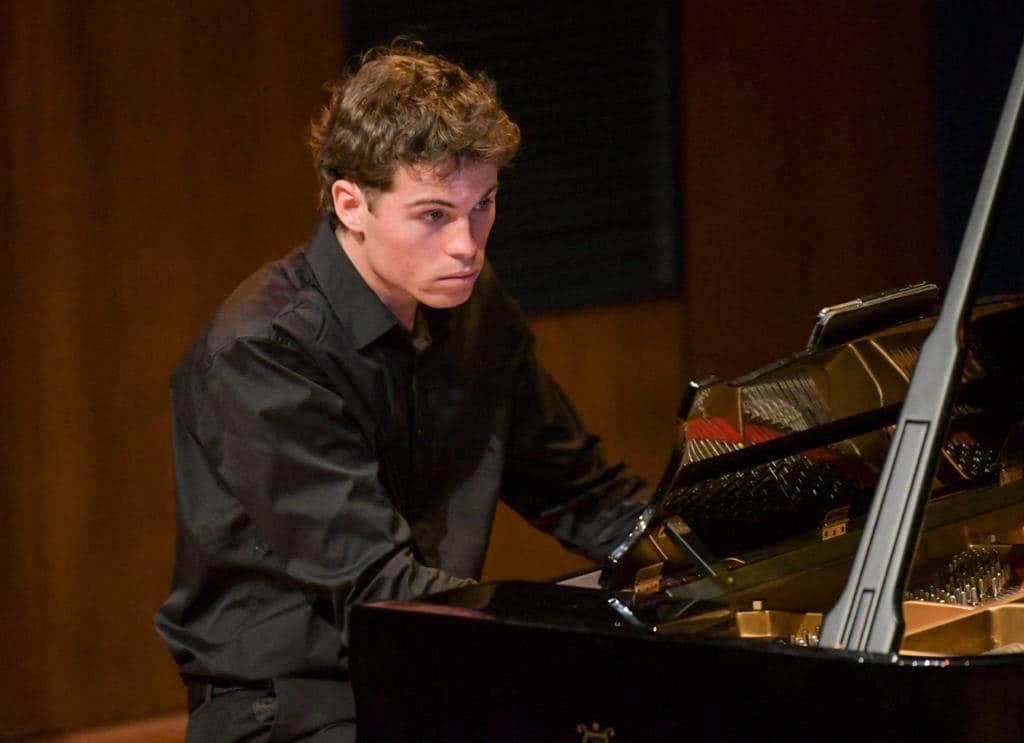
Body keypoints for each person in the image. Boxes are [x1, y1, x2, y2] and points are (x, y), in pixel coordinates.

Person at [156, 43, 648, 742]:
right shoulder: (263, 349)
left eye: (483, 206)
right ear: (351, 203)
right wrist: (562, 639)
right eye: (433, 215)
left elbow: (582, 491)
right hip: (286, 702)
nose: (466, 245)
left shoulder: (475, 307)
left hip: (429, 657)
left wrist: (701, 556)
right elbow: (376, 591)